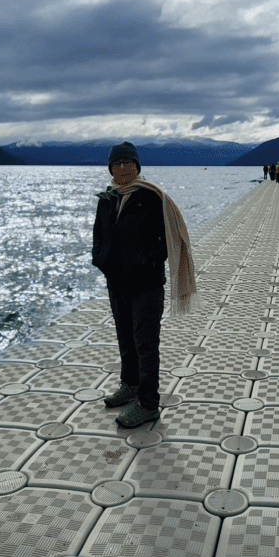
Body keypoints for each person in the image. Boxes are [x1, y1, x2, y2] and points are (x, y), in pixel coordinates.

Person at [91, 142, 198, 428]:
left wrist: (145, 263)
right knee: (125, 337)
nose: (123, 168)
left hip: (146, 285)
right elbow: (99, 236)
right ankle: (130, 385)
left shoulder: (152, 198)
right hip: (117, 283)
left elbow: (165, 240)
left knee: (145, 344)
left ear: (138, 167)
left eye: (129, 163)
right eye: (117, 164)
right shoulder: (107, 198)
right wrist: (100, 260)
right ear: (110, 168)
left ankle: (148, 403)